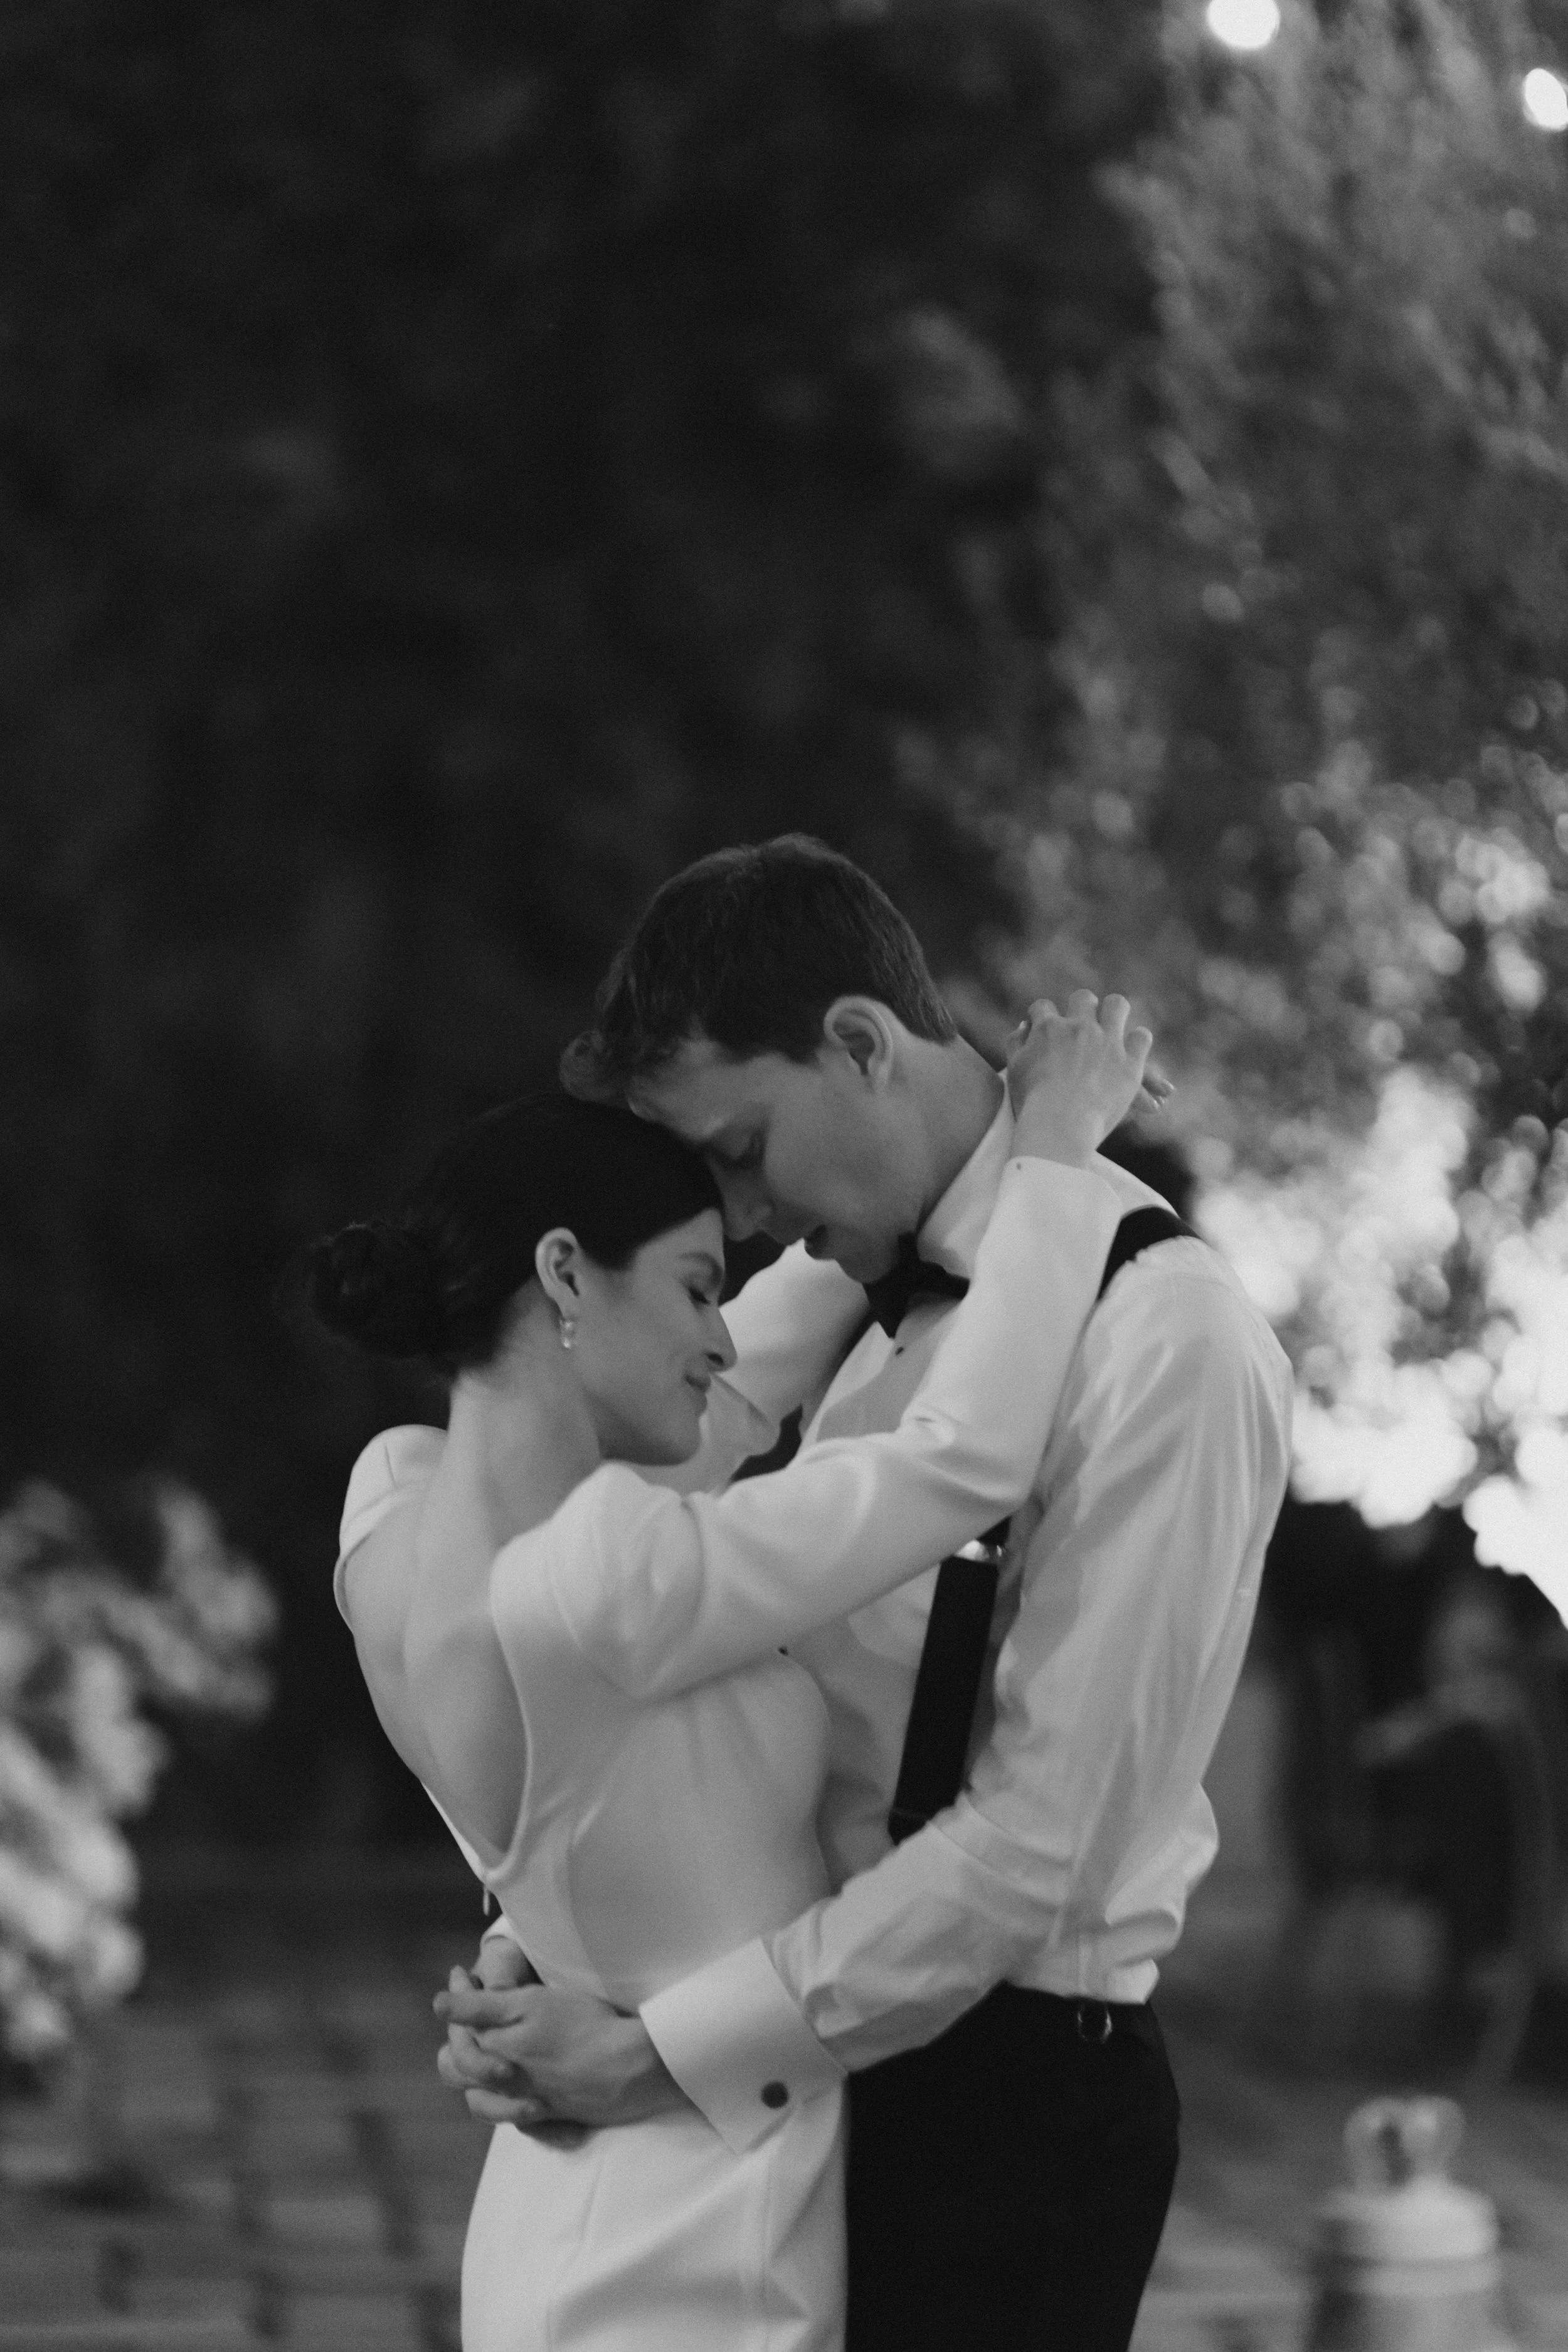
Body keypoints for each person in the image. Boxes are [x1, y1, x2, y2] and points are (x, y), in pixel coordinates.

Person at [379, 837, 1293, 2352]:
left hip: (997, 2107)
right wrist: (557, 1942)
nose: (736, 1216)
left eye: (741, 1150)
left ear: (861, 1044)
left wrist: (669, 2054)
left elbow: (1039, 1845)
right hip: (786, 2062)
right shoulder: (827, 1305)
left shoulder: (1164, 1341)